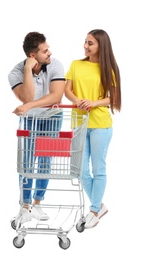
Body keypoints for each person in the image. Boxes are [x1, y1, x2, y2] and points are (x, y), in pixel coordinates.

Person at [65, 29, 121, 228]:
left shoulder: (109, 69)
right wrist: (78, 101)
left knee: (99, 169)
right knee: (80, 171)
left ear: (100, 47)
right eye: (85, 42)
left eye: (90, 43)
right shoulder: (76, 65)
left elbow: (113, 98)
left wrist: (93, 103)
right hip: (78, 124)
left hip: (100, 125)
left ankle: (95, 210)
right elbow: (67, 90)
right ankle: (100, 206)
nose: (85, 46)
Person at [8, 32, 65, 225]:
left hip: (52, 117)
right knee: (26, 162)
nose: (50, 53)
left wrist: (30, 106)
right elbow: (27, 97)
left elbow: (56, 96)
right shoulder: (15, 73)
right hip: (30, 121)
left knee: (45, 161)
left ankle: (38, 203)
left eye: (48, 48)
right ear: (33, 56)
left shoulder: (55, 64)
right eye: (45, 50)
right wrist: (27, 71)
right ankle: (25, 206)